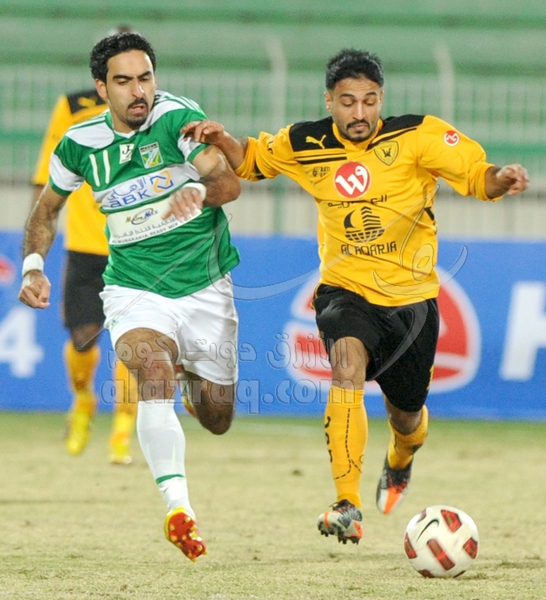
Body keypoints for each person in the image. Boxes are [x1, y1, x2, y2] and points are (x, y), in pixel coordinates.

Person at [180, 48, 529, 545]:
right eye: (348, 102)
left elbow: (476, 175)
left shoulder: (418, 135)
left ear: (381, 98)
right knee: (346, 368)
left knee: (406, 417)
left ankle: (401, 457)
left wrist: (501, 179)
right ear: (330, 101)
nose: (359, 112)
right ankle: (347, 502)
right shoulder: (306, 142)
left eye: (369, 101)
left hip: (411, 301)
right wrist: (222, 140)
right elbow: (251, 161)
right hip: (345, 290)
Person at [19, 32, 241, 561]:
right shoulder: (79, 143)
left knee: (216, 418)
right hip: (132, 287)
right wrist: (33, 267)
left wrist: (198, 191)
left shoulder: (177, 120)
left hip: (205, 286)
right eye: (124, 81)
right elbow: (46, 210)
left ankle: (187, 372)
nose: (139, 91)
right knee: (151, 371)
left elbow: (230, 184)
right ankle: (179, 509)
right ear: (102, 87)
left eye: (145, 78)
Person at [31, 25, 139, 465]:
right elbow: (47, 176)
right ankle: (83, 401)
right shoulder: (73, 107)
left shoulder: (153, 110)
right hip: (86, 242)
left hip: (136, 245)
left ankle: (122, 432)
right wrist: (35, 245)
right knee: (82, 338)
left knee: (134, 341)